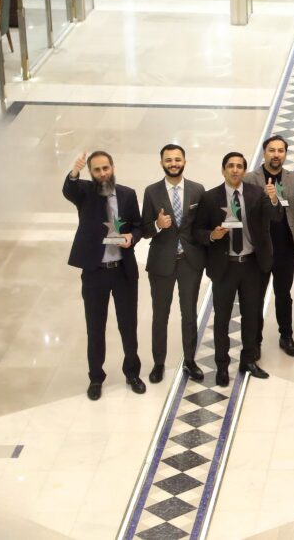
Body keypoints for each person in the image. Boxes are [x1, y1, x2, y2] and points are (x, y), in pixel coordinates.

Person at [193, 152, 281, 387]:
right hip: (225, 267)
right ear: (223, 170)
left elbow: (275, 216)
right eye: (230, 166)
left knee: (251, 316)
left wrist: (274, 199)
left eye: (239, 166)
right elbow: (197, 231)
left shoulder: (256, 193)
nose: (235, 170)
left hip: (252, 264)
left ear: (244, 171)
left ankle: (248, 360)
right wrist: (212, 235)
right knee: (221, 319)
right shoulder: (210, 198)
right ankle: (222, 365)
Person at [63, 151, 145, 401]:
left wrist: (132, 237)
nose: (103, 173)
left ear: (113, 167)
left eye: (106, 168)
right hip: (95, 272)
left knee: (128, 325)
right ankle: (96, 377)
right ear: (91, 173)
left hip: (122, 271)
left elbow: (138, 225)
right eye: (97, 170)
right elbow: (70, 191)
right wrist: (74, 173)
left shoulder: (127, 194)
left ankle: (132, 372)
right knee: (95, 327)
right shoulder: (86, 192)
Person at [140, 144, 206, 384]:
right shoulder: (151, 192)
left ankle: (190, 359)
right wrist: (157, 225)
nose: (173, 163)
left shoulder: (198, 190)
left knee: (189, 313)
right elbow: (144, 229)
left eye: (177, 159)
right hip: (161, 263)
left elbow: (200, 226)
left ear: (185, 161)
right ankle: (159, 363)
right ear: (161, 163)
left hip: (190, 261)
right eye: (168, 160)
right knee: (160, 314)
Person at [244, 135, 294, 356]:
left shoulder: (292, 178)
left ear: (285, 154)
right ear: (264, 153)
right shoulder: (250, 178)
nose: (276, 155)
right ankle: (255, 341)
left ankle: (287, 336)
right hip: (259, 248)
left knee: (283, 294)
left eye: (280, 151)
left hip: (286, 247)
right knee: (256, 296)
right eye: (272, 150)